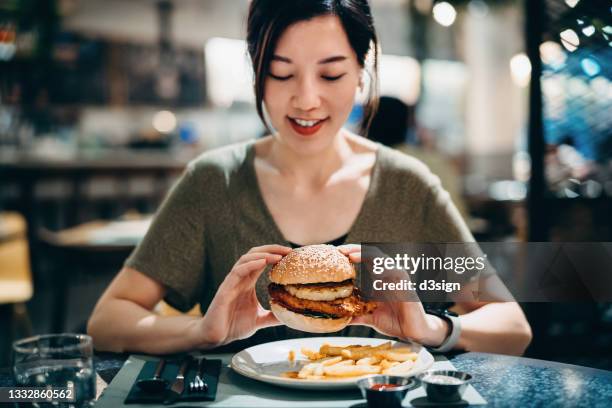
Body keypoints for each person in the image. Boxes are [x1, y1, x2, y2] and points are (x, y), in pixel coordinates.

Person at [88, 0, 532, 356]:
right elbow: (108, 321)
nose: (305, 99)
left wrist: (431, 327)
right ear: (258, 73)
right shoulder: (214, 182)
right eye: (281, 73)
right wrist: (201, 332)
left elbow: (511, 326)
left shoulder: (404, 185)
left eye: (331, 73)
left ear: (361, 73)